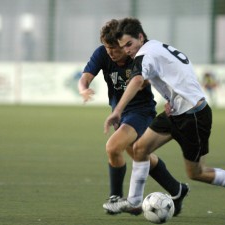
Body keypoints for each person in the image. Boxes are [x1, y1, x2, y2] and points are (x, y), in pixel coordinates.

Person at [102, 17, 225, 215]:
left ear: (140, 37)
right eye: (123, 46)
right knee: (140, 148)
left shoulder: (144, 55)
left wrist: (117, 111)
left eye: (129, 44)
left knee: (197, 172)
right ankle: (134, 201)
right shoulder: (156, 47)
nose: (127, 50)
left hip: (193, 117)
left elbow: (136, 80)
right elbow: (177, 70)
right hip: (177, 111)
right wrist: (174, 95)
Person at [78, 19, 189, 216]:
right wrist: (84, 89)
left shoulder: (139, 56)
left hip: (141, 112)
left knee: (113, 147)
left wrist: (169, 97)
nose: (111, 52)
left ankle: (116, 198)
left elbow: (148, 79)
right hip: (119, 115)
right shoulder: (102, 54)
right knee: (140, 154)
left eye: (114, 47)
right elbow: (85, 76)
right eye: (107, 47)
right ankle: (177, 190)